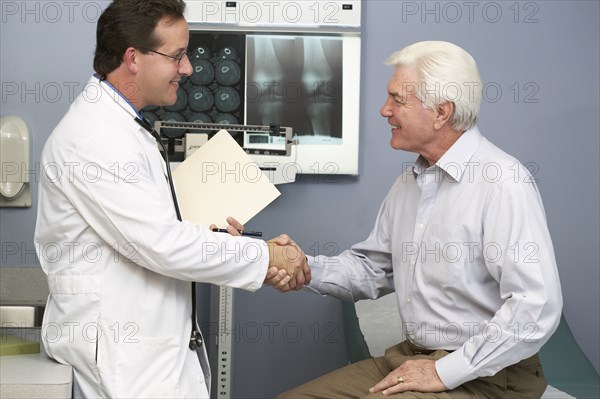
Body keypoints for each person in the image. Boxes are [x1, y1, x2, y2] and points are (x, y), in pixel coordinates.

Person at [34, 0, 308, 397]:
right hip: (122, 355)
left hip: (141, 345)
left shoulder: (123, 125)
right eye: (177, 56)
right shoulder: (96, 139)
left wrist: (213, 237)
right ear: (133, 58)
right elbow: (159, 244)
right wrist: (265, 256)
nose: (188, 69)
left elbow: (149, 230)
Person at [275, 41, 563, 398]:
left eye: (397, 99)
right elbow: (372, 270)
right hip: (412, 356)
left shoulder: (503, 182)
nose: (384, 110)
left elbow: (536, 307)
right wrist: (304, 267)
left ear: (441, 112)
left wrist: (444, 371)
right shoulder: (408, 185)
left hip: (491, 375)